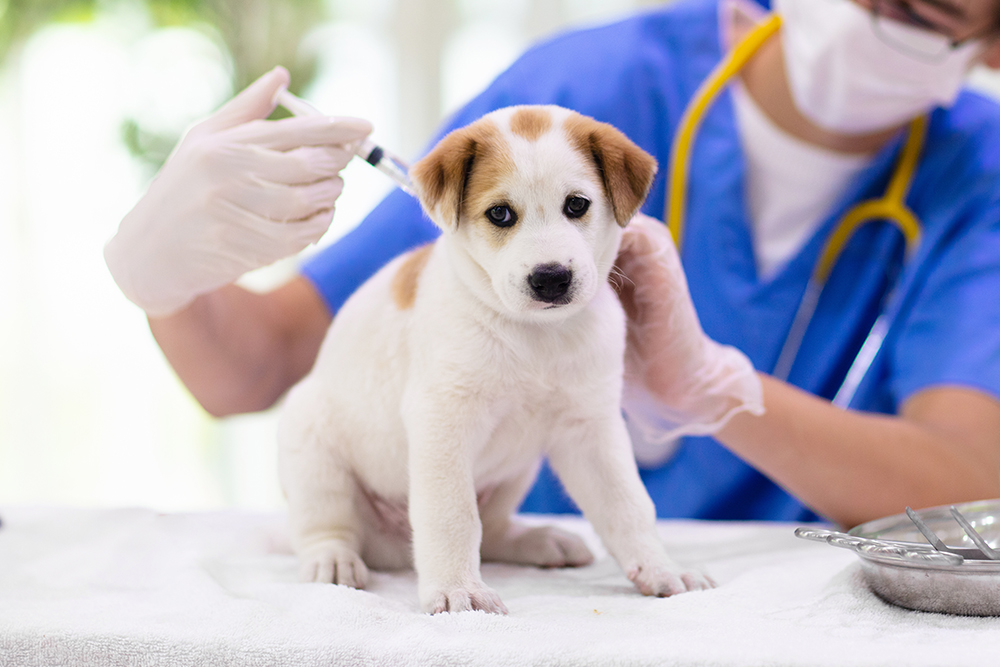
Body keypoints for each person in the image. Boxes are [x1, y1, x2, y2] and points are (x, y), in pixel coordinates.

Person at [105, 0, 1000, 529]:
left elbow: (973, 487)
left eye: (921, 14)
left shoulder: (978, 173)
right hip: (527, 595)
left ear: (990, 43)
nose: (863, 15)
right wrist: (167, 275)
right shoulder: (583, 96)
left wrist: (716, 394)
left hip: (766, 615)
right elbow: (255, 365)